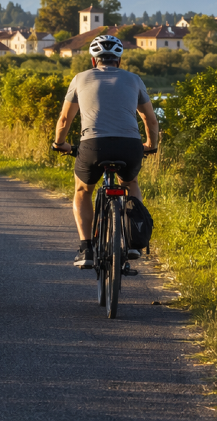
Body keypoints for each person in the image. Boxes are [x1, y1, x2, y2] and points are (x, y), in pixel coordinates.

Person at [52, 35, 159, 271]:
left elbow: (64, 119)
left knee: (82, 189)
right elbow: (149, 119)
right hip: (129, 145)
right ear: (119, 60)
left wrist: (59, 143)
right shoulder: (134, 79)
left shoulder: (80, 79)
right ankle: (132, 240)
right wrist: (151, 144)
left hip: (92, 145)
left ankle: (86, 248)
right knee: (130, 182)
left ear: (93, 60)